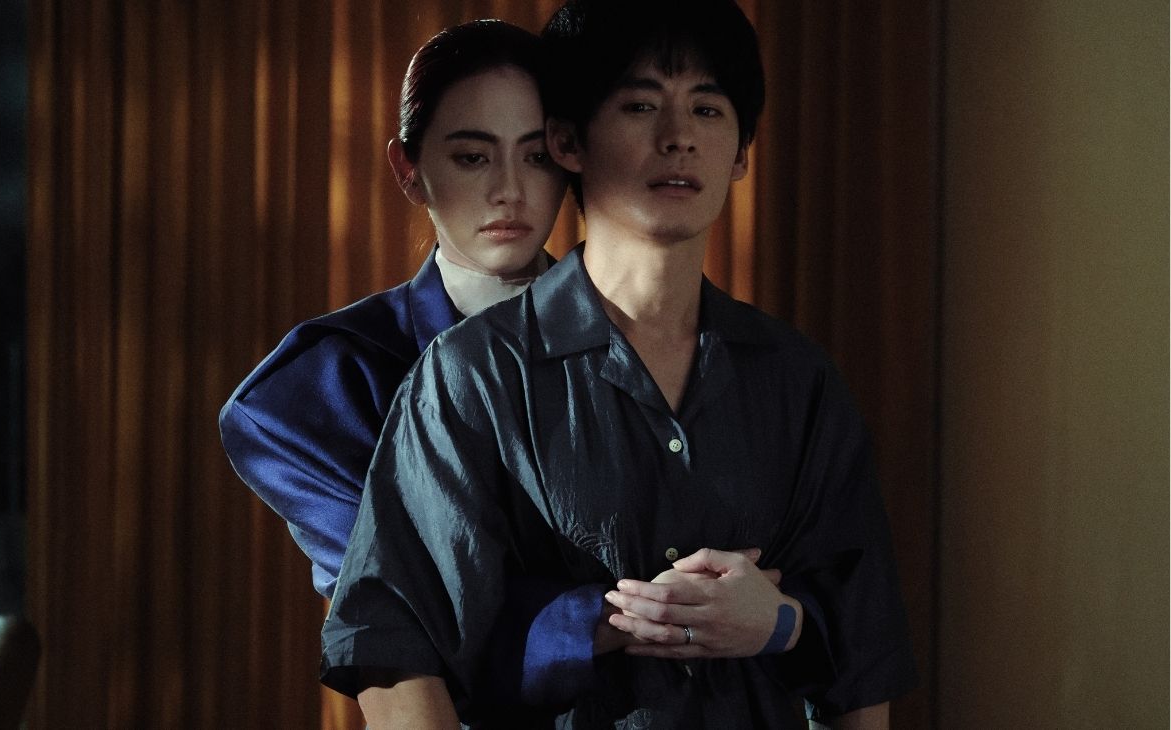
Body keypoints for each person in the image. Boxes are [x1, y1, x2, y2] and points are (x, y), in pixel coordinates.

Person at [318, 1, 918, 728]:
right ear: (568, 140)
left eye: (707, 109)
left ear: (741, 153)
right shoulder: (472, 374)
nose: (678, 137)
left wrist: (781, 621)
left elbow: (863, 650)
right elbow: (392, 645)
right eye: (640, 105)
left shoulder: (798, 378)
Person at [218, 19, 618, 713]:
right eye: (472, 157)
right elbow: (413, 623)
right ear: (409, 170)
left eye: (536, 156)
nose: (509, 190)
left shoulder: (648, 341)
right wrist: (634, 617)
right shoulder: (323, 386)